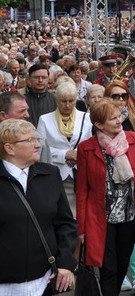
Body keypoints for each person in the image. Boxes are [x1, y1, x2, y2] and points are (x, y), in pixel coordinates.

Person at [76, 98, 135, 296]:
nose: (118, 120)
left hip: (130, 215)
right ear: (98, 124)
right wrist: (82, 226)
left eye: (118, 116)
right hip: (101, 219)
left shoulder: (133, 139)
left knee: (122, 264)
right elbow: (82, 191)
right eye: (112, 118)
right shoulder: (86, 148)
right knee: (108, 267)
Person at [0, 119, 77, 294]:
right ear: (9, 148)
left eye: (37, 139)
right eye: (29, 140)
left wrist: (65, 263)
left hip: (43, 281)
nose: (37, 145)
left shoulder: (50, 174)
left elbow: (65, 223)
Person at [36, 80, 93, 217]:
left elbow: (91, 144)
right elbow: (41, 148)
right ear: (57, 101)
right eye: (63, 101)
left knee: (83, 212)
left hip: (82, 171)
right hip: (57, 172)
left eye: (71, 101)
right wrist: (65, 154)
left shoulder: (86, 118)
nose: (67, 105)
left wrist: (77, 155)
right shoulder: (45, 119)